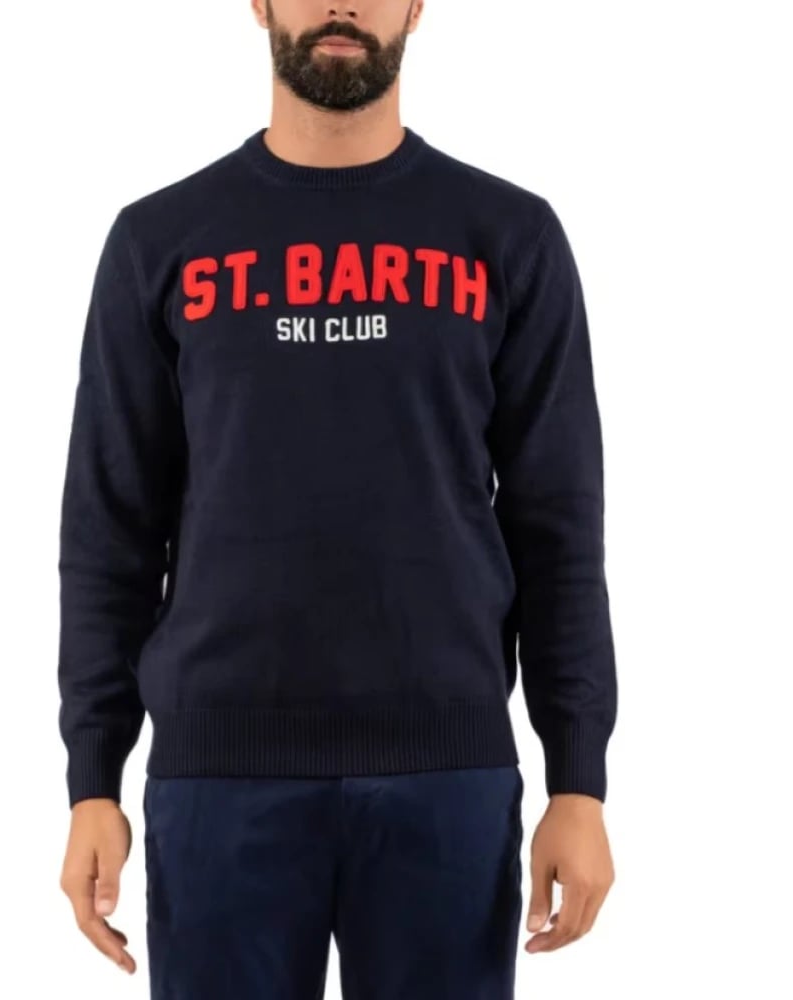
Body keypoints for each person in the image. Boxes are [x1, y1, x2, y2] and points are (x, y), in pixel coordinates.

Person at [56, 1, 617, 996]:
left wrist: (578, 778)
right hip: (218, 777)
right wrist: (93, 775)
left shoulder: (508, 236)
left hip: (446, 775)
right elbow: (111, 528)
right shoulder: (160, 240)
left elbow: (557, 528)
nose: (342, 5)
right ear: (260, 3)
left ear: (416, 7)